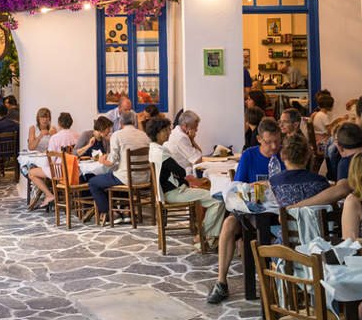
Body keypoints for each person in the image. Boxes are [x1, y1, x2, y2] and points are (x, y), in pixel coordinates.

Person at [207, 118, 283, 304]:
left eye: (277, 141)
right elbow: (237, 186)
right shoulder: (250, 156)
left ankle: (273, 282)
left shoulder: (284, 154)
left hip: (277, 211)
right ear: (258, 139)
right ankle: (221, 282)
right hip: (250, 209)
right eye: (268, 142)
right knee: (228, 224)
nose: (274, 146)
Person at [146, 117, 225, 245]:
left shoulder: (154, 150)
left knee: (210, 194)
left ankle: (210, 238)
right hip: (173, 193)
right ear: (158, 133)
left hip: (170, 191)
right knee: (218, 199)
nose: (169, 132)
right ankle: (204, 237)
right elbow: (181, 172)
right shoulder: (161, 153)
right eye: (166, 130)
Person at [87, 113, 151, 223]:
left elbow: (111, 162)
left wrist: (102, 160)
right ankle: (126, 211)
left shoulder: (117, 135)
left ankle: (111, 213)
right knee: (119, 176)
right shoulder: (144, 135)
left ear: (120, 123)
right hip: (144, 178)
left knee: (93, 182)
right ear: (134, 122)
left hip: (126, 178)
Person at [269, 131, 330, 208]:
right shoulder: (321, 181)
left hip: (283, 220)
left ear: (283, 155)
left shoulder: (275, 182)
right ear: (307, 155)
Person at [310, 91, 335, 155]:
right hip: (322, 141)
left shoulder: (318, 114)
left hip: (317, 139)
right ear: (328, 106)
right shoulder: (324, 116)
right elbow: (329, 130)